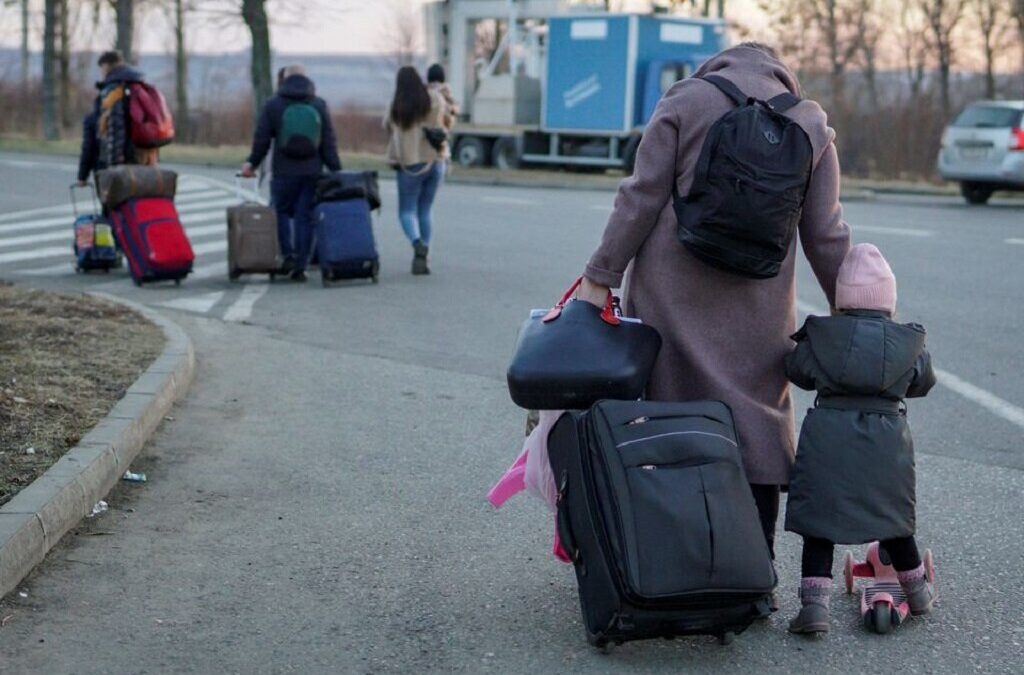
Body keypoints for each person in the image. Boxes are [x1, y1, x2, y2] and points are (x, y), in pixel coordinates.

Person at [575, 43, 852, 581]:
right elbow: (826, 234)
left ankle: (667, 561)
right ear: (782, 77)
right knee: (758, 421)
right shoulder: (809, 123)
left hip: (669, 299)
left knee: (668, 412)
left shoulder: (685, 100)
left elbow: (640, 197)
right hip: (761, 306)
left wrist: (599, 276)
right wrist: (860, 310)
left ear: (717, 66)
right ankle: (757, 569)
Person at [784, 243, 937, 635]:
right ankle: (918, 593)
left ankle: (814, 611)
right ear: (888, 301)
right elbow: (923, 383)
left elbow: (797, 371)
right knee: (894, 521)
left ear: (841, 300)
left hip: (827, 440)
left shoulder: (820, 337)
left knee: (820, 527)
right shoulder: (908, 343)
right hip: (887, 443)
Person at [242, 64, 341, 282]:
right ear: (306, 79)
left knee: (280, 213)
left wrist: (252, 163)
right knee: (306, 217)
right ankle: (302, 265)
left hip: (283, 171)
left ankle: (287, 255)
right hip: (312, 172)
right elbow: (328, 142)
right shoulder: (319, 104)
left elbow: (262, 139)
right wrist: (337, 170)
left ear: (284, 79)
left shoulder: (274, 104)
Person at [385, 66, 449, 276]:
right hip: (435, 160)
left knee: (406, 211)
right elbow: (445, 120)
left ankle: (416, 242)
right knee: (425, 209)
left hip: (410, 163)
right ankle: (425, 256)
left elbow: (386, 124)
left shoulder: (398, 104)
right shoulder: (434, 98)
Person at [77, 50, 148, 187]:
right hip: (141, 159)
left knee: (112, 206)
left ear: (106, 66)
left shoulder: (113, 90)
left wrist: (114, 167)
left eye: (101, 69)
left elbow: (115, 129)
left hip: (114, 162)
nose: (101, 74)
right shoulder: (137, 86)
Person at [426, 63, 459, 132]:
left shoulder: (425, 92)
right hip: (441, 134)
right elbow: (453, 112)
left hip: (427, 135)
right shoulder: (445, 91)